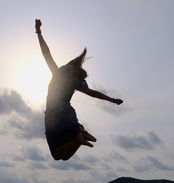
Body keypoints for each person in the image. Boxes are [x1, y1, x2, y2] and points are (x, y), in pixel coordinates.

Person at [36, 19, 123, 161]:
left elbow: (46, 53)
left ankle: (79, 137)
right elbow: (92, 93)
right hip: (68, 114)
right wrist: (112, 100)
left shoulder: (58, 73)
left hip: (53, 115)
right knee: (63, 157)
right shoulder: (74, 81)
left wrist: (38, 32)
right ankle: (79, 133)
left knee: (57, 156)